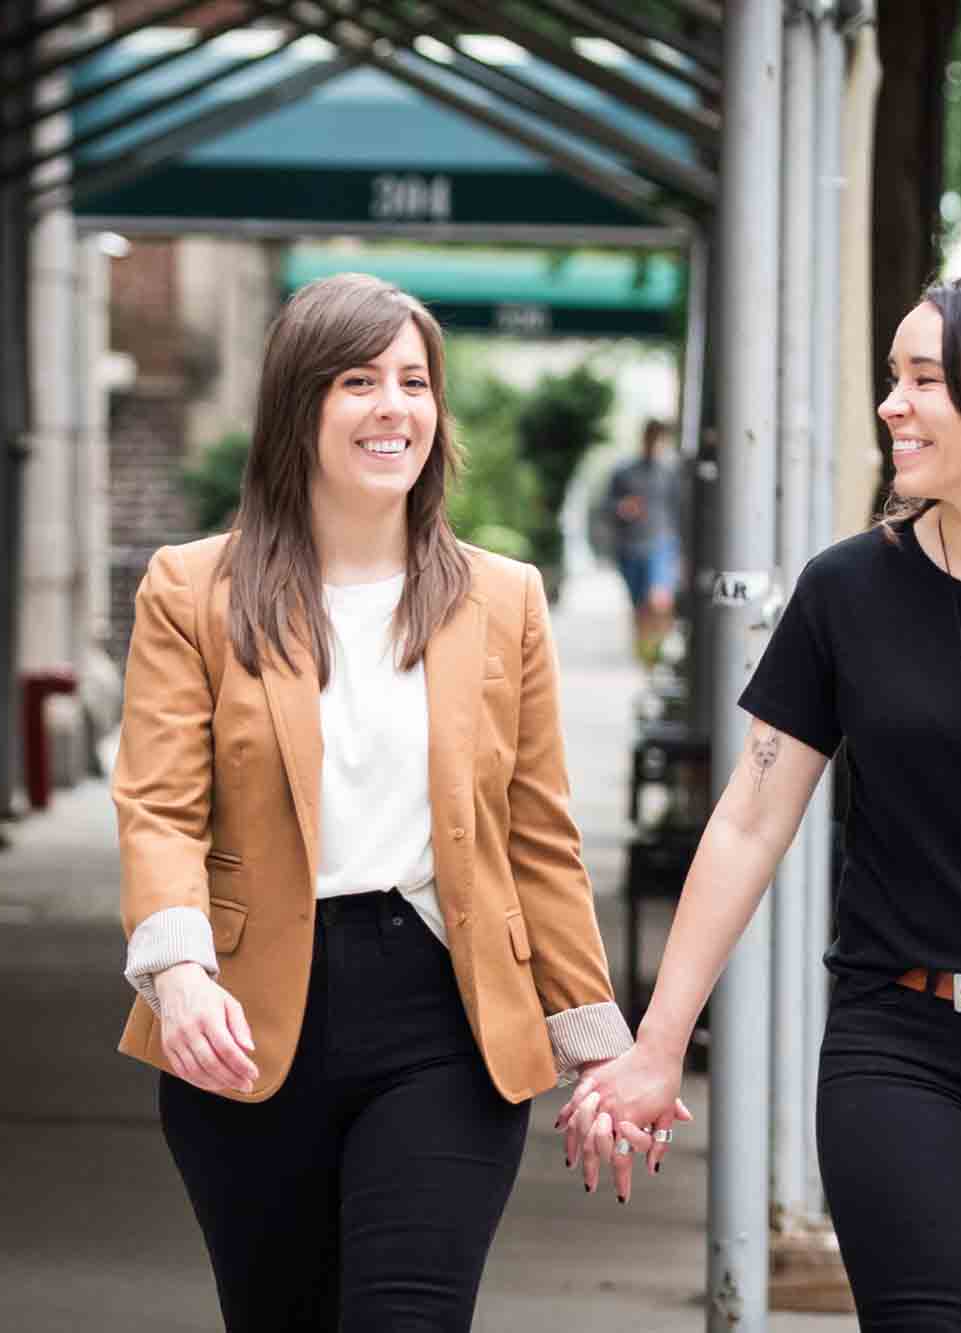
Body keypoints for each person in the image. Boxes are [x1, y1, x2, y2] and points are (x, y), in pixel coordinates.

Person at [558, 272, 961, 1331]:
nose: (890, 405)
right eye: (889, 378)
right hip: (896, 1035)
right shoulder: (845, 589)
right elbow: (746, 821)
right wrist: (656, 1040)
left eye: (922, 381)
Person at [111, 273, 660, 1331]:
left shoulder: (502, 600)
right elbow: (160, 807)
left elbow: (538, 837)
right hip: (246, 1011)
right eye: (357, 380)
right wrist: (176, 974)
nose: (392, 406)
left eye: (414, 381)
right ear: (297, 407)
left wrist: (595, 1038)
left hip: (443, 1009)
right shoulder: (191, 590)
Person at [605, 418, 681, 663]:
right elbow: (606, 507)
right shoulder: (624, 472)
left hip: (662, 544)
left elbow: (681, 510)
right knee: (639, 604)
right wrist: (621, 508)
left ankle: (662, 649)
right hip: (629, 546)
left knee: (658, 600)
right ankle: (646, 653)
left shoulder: (670, 473)